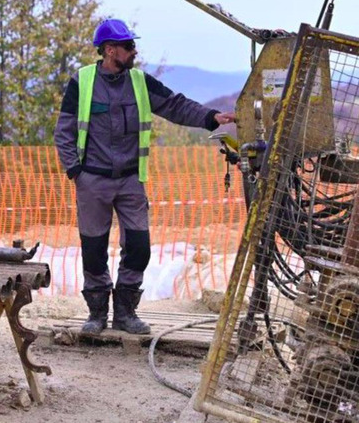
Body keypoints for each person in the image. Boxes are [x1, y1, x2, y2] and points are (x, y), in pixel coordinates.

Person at [54, 19, 236, 336]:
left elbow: (176, 105)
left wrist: (210, 118)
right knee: (93, 249)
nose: (133, 50)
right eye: (127, 46)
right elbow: (64, 132)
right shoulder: (81, 82)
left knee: (139, 247)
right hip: (92, 181)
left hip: (130, 181)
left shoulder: (140, 81)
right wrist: (76, 172)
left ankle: (125, 313)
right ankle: (97, 314)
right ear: (109, 50)